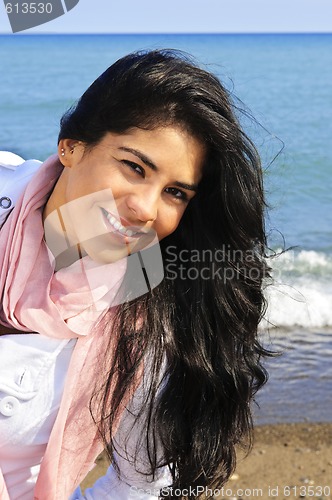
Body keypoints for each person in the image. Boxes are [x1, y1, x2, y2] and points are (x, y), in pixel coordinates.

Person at [0, 49, 271, 499]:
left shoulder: (146, 332)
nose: (146, 208)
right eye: (134, 167)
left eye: (175, 192)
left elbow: (141, 489)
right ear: (71, 146)